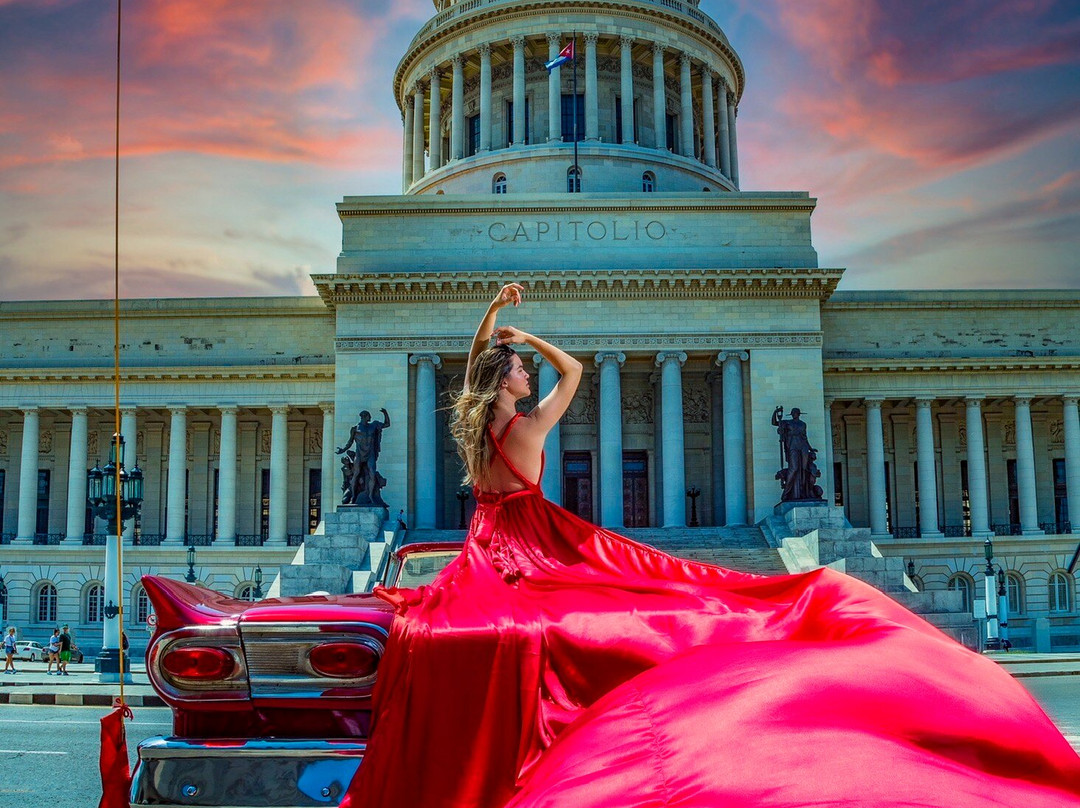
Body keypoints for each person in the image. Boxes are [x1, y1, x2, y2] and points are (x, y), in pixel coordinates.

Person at [342, 283, 1080, 808]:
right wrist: (527, 333)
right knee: (664, 592)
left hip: (484, 558)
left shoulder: (475, 431)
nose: (526, 371)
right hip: (541, 549)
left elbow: (475, 365)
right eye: (518, 369)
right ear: (510, 378)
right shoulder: (531, 426)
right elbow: (573, 370)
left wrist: (489, 323)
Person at [336, 409, 391, 505]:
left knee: (372, 473)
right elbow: (350, 442)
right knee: (356, 474)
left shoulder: (373, 426)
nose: (370, 418)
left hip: (370, 454)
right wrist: (343, 450)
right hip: (359, 454)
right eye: (369, 416)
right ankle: (353, 496)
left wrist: (385, 413)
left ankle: (370, 496)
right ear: (365, 416)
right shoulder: (355, 429)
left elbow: (387, 424)